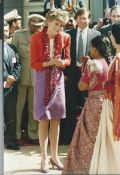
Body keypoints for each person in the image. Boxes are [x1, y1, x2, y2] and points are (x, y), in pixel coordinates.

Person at [62, 35, 111, 174]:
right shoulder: (109, 62)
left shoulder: (92, 64)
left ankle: (84, 169)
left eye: (91, 47)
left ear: (95, 49)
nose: (90, 50)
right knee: (100, 138)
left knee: (87, 139)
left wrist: (84, 71)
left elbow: (81, 86)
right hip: (106, 103)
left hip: (93, 104)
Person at [30, 9, 71, 173]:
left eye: (61, 25)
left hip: (57, 77)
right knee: (43, 119)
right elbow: (34, 63)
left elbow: (68, 59)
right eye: (56, 25)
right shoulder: (36, 38)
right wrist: (51, 62)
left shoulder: (66, 37)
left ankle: (55, 157)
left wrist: (63, 63)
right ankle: (44, 159)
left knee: (56, 119)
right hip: (41, 77)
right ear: (48, 22)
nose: (59, 28)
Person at [60, 7, 100, 144]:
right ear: (76, 19)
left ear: (89, 19)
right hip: (71, 75)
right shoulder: (68, 34)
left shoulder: (96, 34)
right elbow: (63, 54)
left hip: (88, 75)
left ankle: (86, 138)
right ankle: (68, 138)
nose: (83, 20)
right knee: (70, 106)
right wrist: (64, 74)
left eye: (86, 18)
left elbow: (99, 55)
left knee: (86, 106)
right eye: (81, 18)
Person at [89, 21, 120, 174]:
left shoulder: (119, 60)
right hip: (114, 103)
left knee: (112, 142)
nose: (110, 36)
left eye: (112, 33)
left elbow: (117, 86)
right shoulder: (118, 58)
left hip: (114, 105)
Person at [12, 14, 45, 145]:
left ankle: (32, 134)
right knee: (18, 108)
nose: (36, 28)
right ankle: (16, 134)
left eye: (39, 26)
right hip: (21, 76)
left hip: (37, 76)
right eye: (34, 25)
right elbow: (12, 53)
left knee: (33, 108)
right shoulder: (19, 35)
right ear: (28, 24)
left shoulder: (43, 36)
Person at [3, 21, 21, 150]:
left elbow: (18, 65)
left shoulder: (12, 48)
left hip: (11, 88)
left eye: (5, 30)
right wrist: (5, 76)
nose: (4, 33)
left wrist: (14, 77)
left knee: (10, 116)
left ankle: (10, 141)